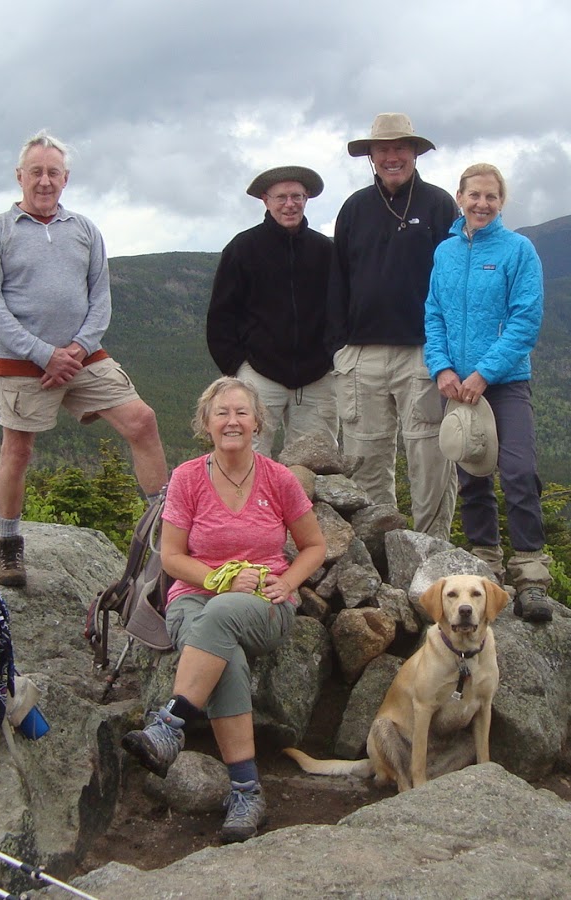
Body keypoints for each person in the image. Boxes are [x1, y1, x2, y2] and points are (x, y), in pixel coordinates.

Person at [121, 376, 327, 843]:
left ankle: (171, 722)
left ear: (258, 423)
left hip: (264, 605)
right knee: (222, 648)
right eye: (222, 413)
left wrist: (289, 581)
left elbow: (315, 545)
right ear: (206, 424)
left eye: (241, 413)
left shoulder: (278, 479)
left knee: (220, 620)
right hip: (192, 597)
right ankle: (246, 792)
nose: (232, 421)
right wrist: (220, 578)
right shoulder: (188, 478)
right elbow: (172, 558)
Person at [0, 130, 168, 588]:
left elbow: (100, 298)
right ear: (19, 176)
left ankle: (165, 533)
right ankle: (8, 544)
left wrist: (78, 349)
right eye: (36, 172)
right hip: (22, 360)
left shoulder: (83, 229)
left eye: (53, 173)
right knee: (18, 450)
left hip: (83, 353)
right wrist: (43, 353)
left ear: (66, 179)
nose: (44, 181)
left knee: (141, 420)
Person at [424, 164, 554, 623]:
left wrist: (483, 373)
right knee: (472, 473)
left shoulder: (519, 251)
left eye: (491, 197)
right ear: (459, 197)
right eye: (474, 195)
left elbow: (525, 321)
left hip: (504, 382)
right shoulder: (445, 252)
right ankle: (486, 563)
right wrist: (440, 368)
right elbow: (434, 313)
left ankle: (531, 573)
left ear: (502, 202)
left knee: (518, 469)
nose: (482, 204)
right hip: (455, 384)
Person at [327, 113, 460, 539]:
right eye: (382, 149)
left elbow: (456, 279)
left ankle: (432, 549)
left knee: (431, 456)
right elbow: (339, 278)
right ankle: (379, 551)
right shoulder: (353, 208)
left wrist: (450, 350)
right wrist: (339, 345)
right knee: (365, 457)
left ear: (415, 153)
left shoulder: (440, 205)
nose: (391, 156)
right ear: (370, 155)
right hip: (361, 352)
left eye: (400, 147)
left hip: (424, 349)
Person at [206, 166, 337, 457]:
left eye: (297, 196)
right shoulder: (242, 249)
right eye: (281, 197)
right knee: (245, 457)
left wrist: (331, 357)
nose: (289, 204)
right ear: (265, 200)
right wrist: (238, 368)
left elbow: (340, 309)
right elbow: (221, 316)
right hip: (259, 374)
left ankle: (306, 507)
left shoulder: (325, 251)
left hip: (318, 377)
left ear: (307, 199)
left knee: (316, 465)